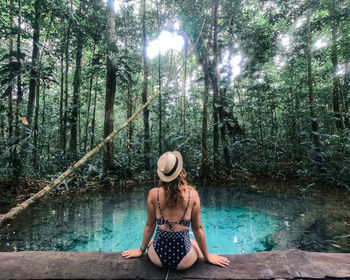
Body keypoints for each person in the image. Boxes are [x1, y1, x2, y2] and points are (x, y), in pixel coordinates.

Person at [122, 151, 230, 270]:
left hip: (158, 257)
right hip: (184, 260)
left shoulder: (153, 194)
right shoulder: (192, 195)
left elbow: (150, 225)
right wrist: (207, 256)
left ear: (162, 174)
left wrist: (141, 250)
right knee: (193, 242)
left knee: (152, 241)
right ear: (180, 172)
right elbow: (198, 228)